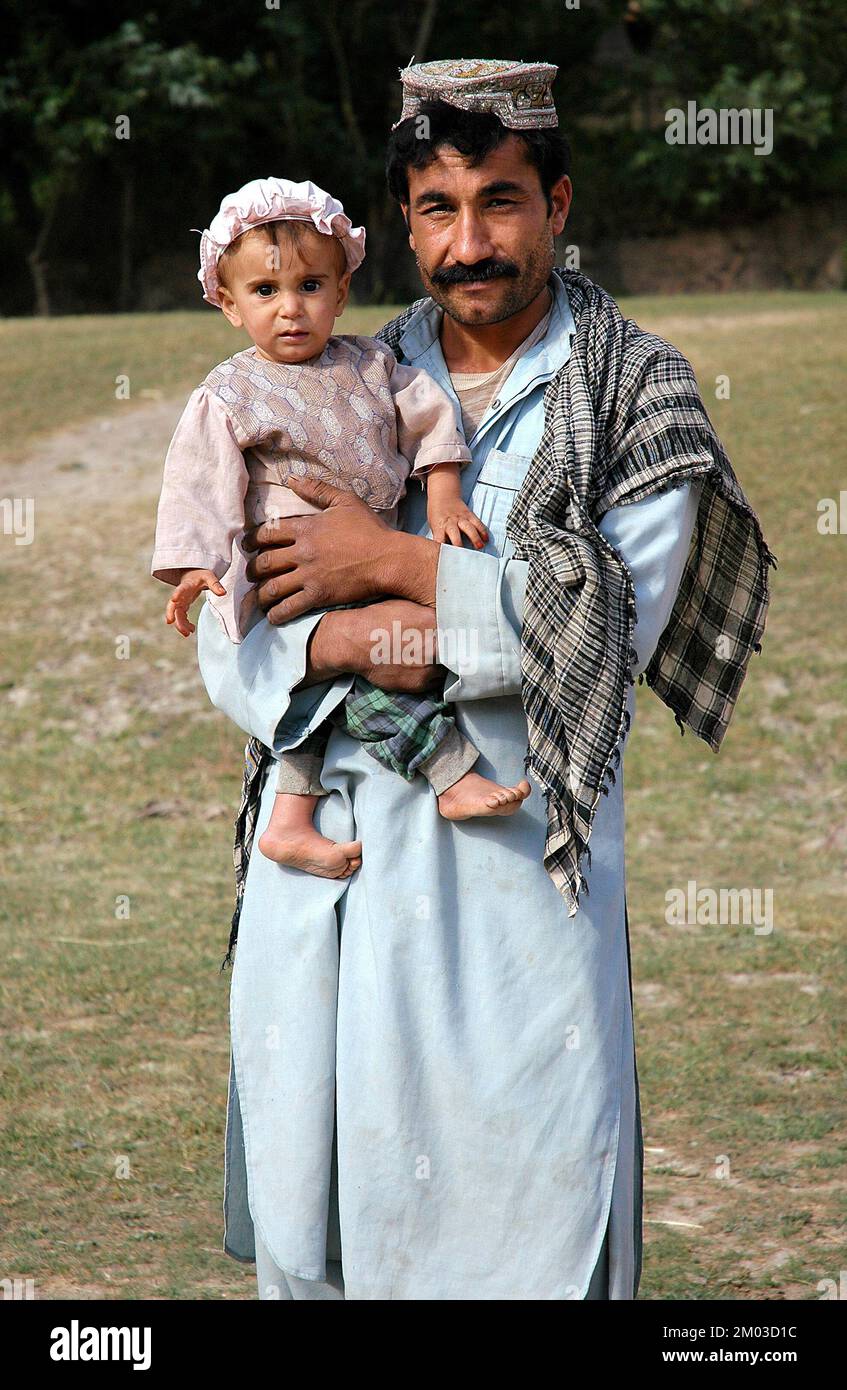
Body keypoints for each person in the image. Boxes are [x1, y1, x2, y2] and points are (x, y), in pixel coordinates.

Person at [195, 59, 776, 1299]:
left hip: (519, 909)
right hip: (336, 888)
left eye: (500, 201)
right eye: (438, 209)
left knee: (524, 1242)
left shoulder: (637, 392)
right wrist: (337, 642)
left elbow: (599, 645)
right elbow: (227, 635)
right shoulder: (314, 374)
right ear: (399, 223)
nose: (471, 242)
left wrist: (388, 563)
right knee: (324, 1249)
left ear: (558, 204)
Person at [151, 176, 532, 881]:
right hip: (290, 574)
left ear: (342, 291)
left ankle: (290, 821)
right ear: (229, 305)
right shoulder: (230, 393)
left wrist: (444, 495)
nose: (290, 309)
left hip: (370, 552)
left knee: (376, 665)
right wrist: (193, 569)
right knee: (354, 680)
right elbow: (198, 485)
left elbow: (429, 424)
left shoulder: (373, 364)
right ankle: (449, 777)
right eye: (265, 293)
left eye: (310, 286)